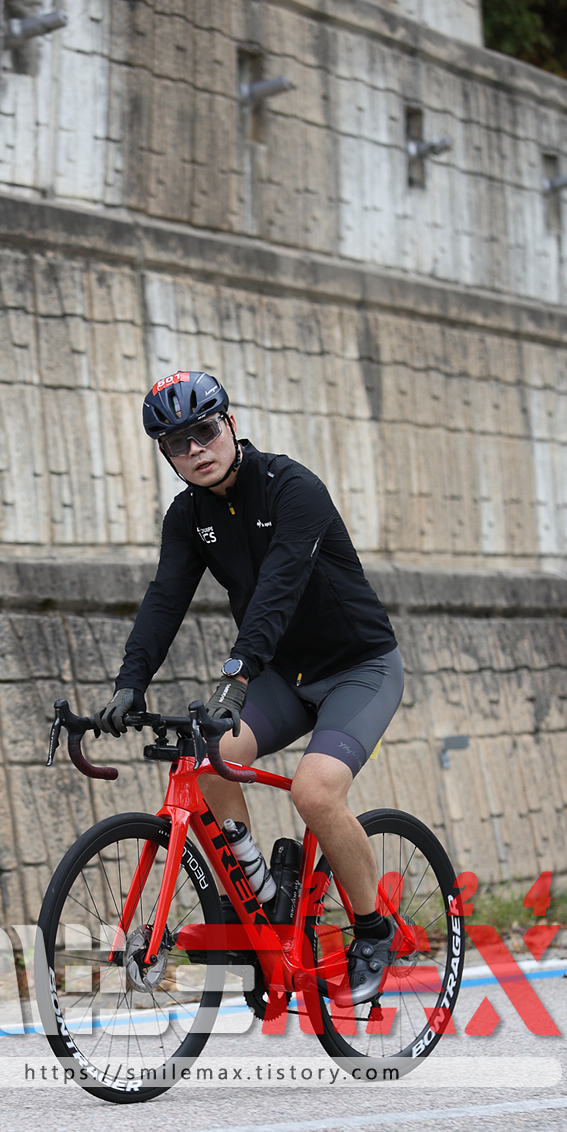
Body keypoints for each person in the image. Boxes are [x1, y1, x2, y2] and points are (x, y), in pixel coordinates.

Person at [93, 370, 405, 1004]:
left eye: (205, 432)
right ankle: (260, 902)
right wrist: (130, 683)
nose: (196, 451)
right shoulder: (187, 517)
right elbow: (165, 600)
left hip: (359, 669)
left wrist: (236, 675)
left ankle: (375, 931)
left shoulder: (294, 489)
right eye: (176, 444)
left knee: (315, 792)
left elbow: (278, 590)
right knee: (206, 761)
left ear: (230, 425)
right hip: (283, 675)